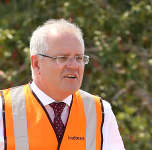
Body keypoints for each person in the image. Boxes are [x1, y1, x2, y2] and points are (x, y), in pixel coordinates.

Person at [0, 19, 125, 150]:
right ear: (37, 63)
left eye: (79, 58)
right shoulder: (3, 108)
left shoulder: (100, 111)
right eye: (62, 58)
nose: (74, 66)